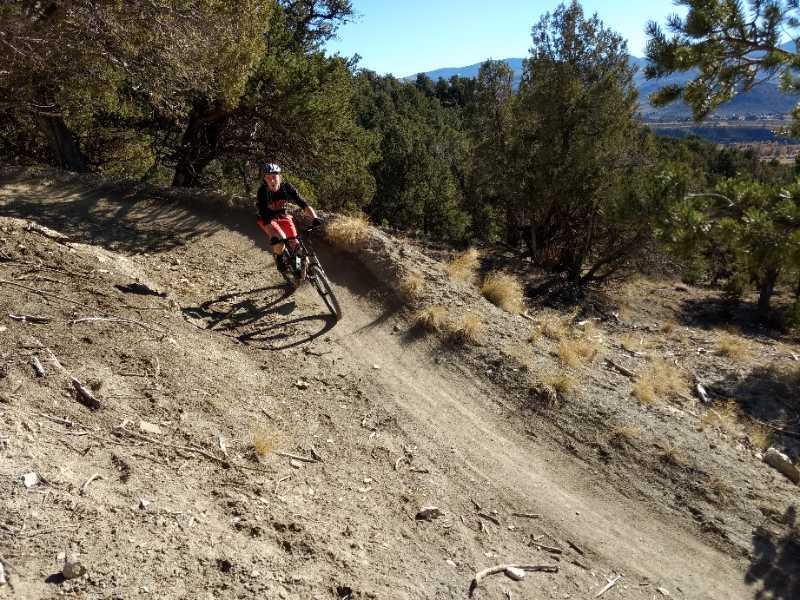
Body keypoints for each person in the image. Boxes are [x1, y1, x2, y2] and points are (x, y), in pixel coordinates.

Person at [255, 162, 321, 277]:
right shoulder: (262, 192)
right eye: (268, 177)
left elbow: (303, 204)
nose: (272, 180)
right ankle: (280, 260)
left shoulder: (286, 187)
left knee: (295, 244)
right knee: (280, 240)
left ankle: (299, 267)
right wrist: (274, 237)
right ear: (264, 179)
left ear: (279, 177)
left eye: (274, 176)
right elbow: (264, 216)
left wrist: (314, 218)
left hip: (283, 216)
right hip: (268, 220)